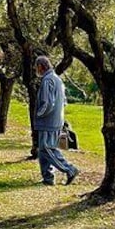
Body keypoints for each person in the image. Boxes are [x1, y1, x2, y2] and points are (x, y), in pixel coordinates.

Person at [34, 55, 79, 186]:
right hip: (56, 120)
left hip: (48, 122)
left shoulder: (48, 80)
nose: (36, 70)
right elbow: (64, 102)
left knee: (47, 148)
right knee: (43, 151)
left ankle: (70, 169)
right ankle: (48, 178)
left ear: (41, 66)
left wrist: (39, 114)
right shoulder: (58, 79)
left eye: (37, 67)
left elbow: (48, 103)